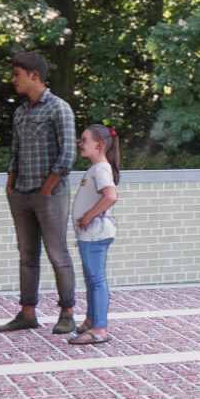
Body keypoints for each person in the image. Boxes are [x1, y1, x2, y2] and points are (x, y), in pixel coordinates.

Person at [0, 51, 81, 334]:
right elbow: (15, 152)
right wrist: (10, 184)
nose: (12, 80)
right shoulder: (20, 112)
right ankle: (27, 313)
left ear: (34, 75)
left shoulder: (59, 109)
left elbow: (67, 155)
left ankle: (67, 312)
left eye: (16, 74)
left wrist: (46, 190)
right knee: (27, 255)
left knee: (58, 254)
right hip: (21, 194)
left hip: (50, 195)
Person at [68, 125, 121, 346]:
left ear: (99, 144)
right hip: (90, 236)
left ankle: (100, 330)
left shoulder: (100, 169)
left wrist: (89, 216)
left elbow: (111, 196)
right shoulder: (96, 168)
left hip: (95, 235)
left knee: (97, 281)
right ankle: (91, 321)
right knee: (92, 280)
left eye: (84, 140)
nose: (80, 144)